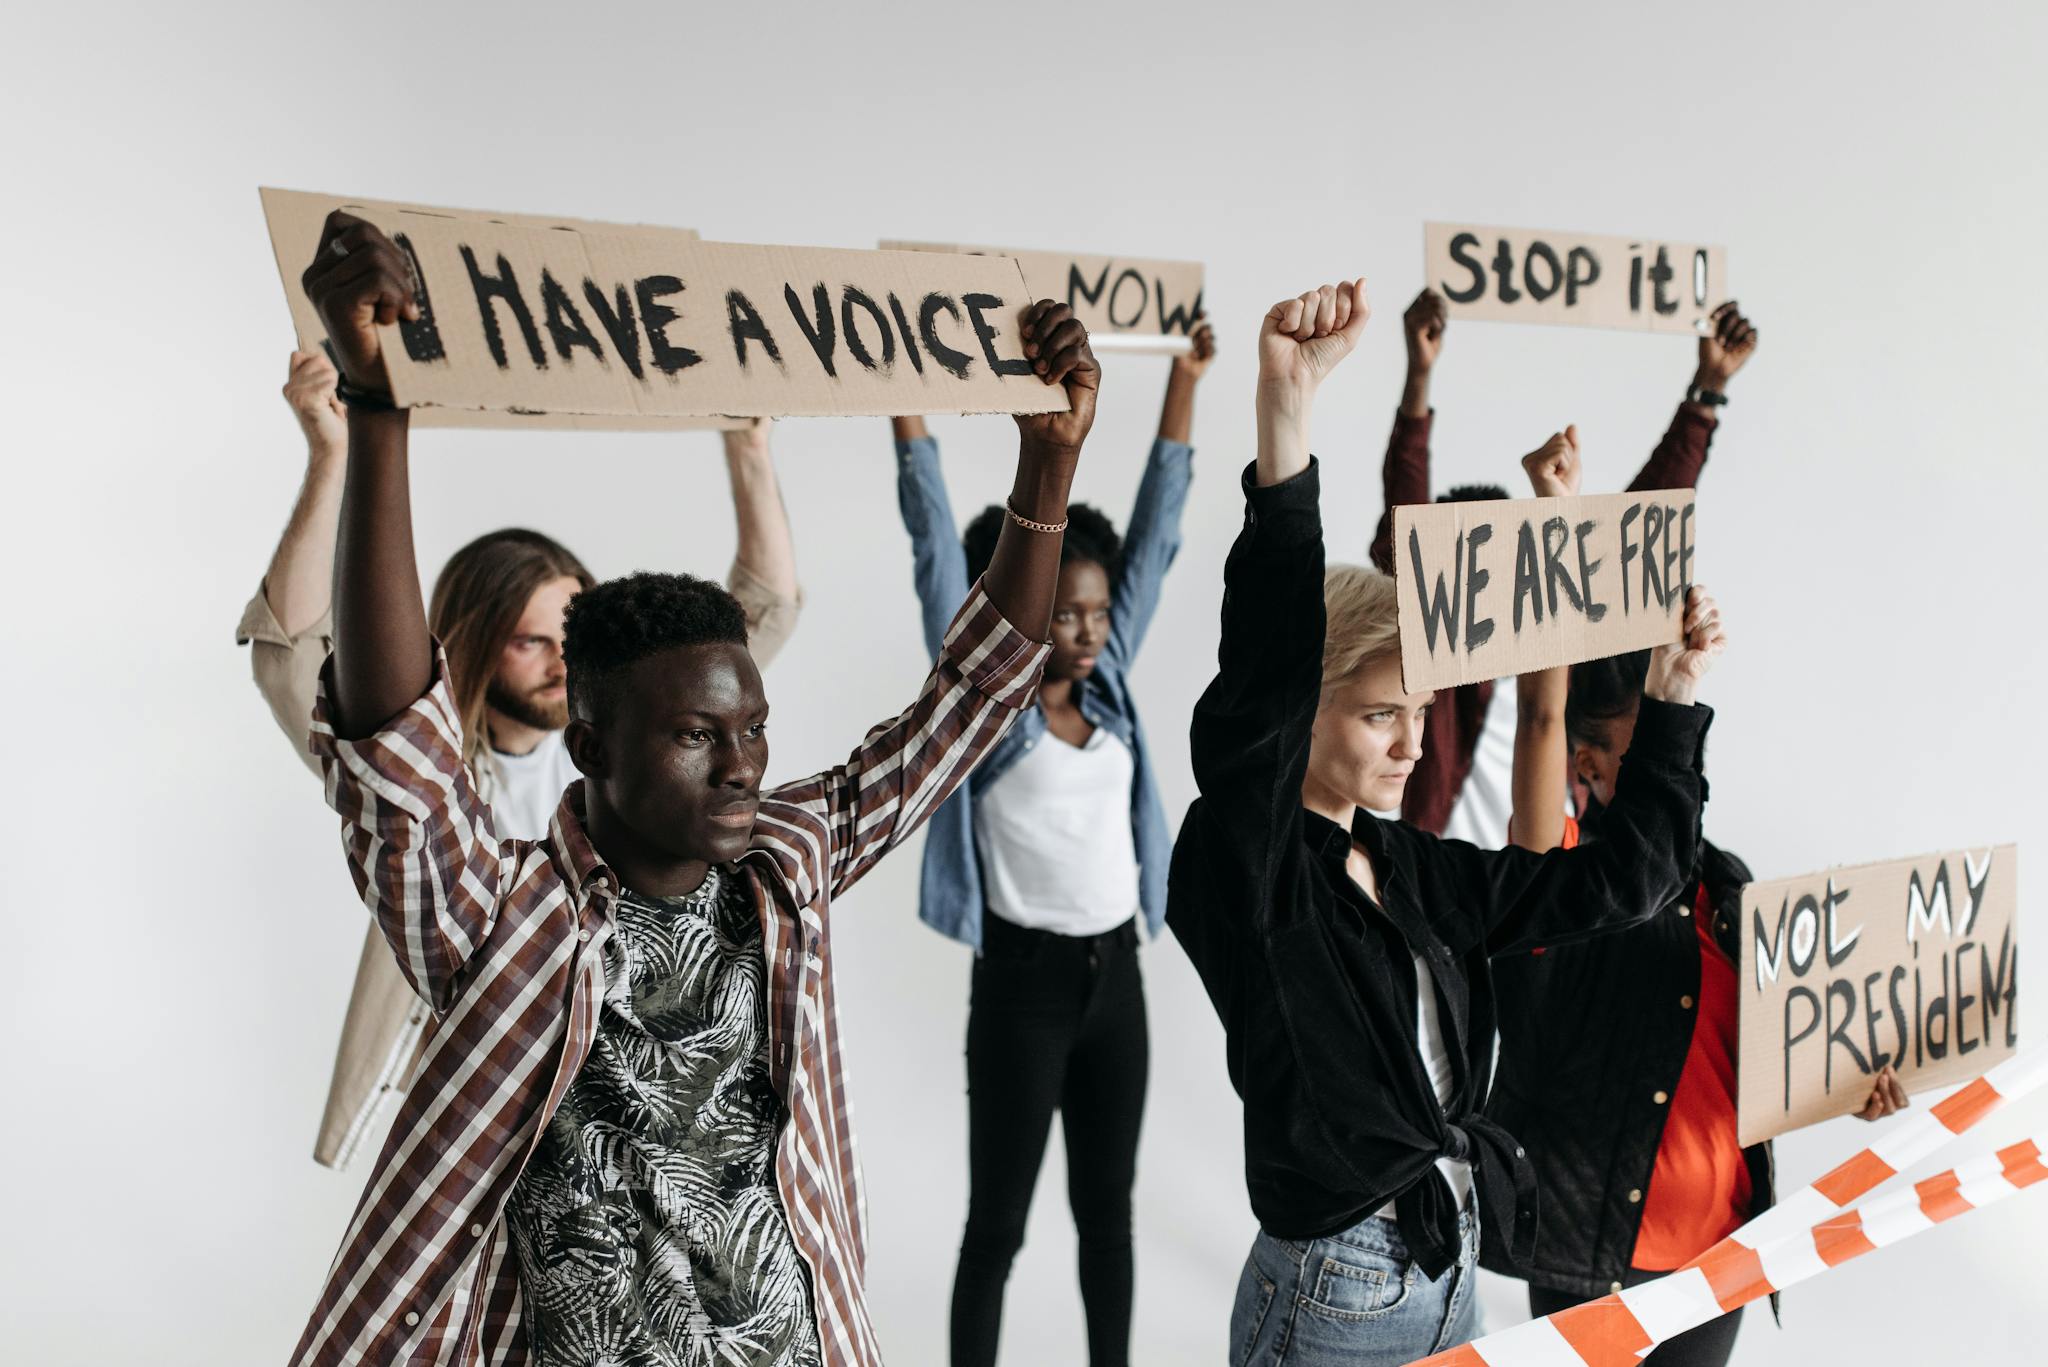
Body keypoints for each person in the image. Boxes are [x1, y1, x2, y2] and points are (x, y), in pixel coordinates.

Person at [285, 212, 1101, 1367]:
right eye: (692, 733)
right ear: (592, 745)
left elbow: (966, 702)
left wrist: (1049, 459)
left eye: (752, 728)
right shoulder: (496, 919)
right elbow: (392, 741)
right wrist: (377, 414)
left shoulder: (786, 859)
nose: (740, 762)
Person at [1167, 279, 1729, 1366]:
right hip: (1331, 1286)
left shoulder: (1407, 862)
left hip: (1448, 1259)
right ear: (1306, 708)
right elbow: (1264, 668)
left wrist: (1672, 700)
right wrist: (1284, 412)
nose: (1411, 743)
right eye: (1380, 713)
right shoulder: (1247, 861)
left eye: (1418, 712)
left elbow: (1622, 883)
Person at [238, 349, 804, 1170]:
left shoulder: (630, 744)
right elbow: (288, 656)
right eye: (529, 643)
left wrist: (748, 449)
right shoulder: (422, 777)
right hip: (480, 1095)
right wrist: (335, 453)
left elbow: (768, 608)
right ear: (472, 644)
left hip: (625, 1092)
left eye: (567, 641)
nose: (558, 665)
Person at [1487, 425, 1907, 1366]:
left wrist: (1850, 1086)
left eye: (1682, 723)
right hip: (1587, 1257)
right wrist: (1555, 524)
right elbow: (1540, 720)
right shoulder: (1552, 877)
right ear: (1587, 767)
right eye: (1657, 730)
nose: (1679, 746)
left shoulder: (1728, 884)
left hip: (1720, 1261)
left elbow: (1763, 1061)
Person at [889, 317, 1215, 1367]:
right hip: (1021, 991)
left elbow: (1158, 538)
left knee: (1107, 1219)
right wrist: (904, 404)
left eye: (1092, 610)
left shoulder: (1109, 686)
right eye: (1063, 611)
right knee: (996, 1229)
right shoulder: (986, 707)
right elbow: (938, 550)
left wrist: (1185, 383)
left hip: (1114, 982)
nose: (1082, 627)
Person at [1368, 289, 1759, 844]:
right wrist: (1418, 376)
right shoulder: (1442, 658)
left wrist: (1706, 394)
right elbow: (1403, 517)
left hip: (1546, 885)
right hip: (1446, 887)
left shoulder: (1557, 626)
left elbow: (1637, 530)